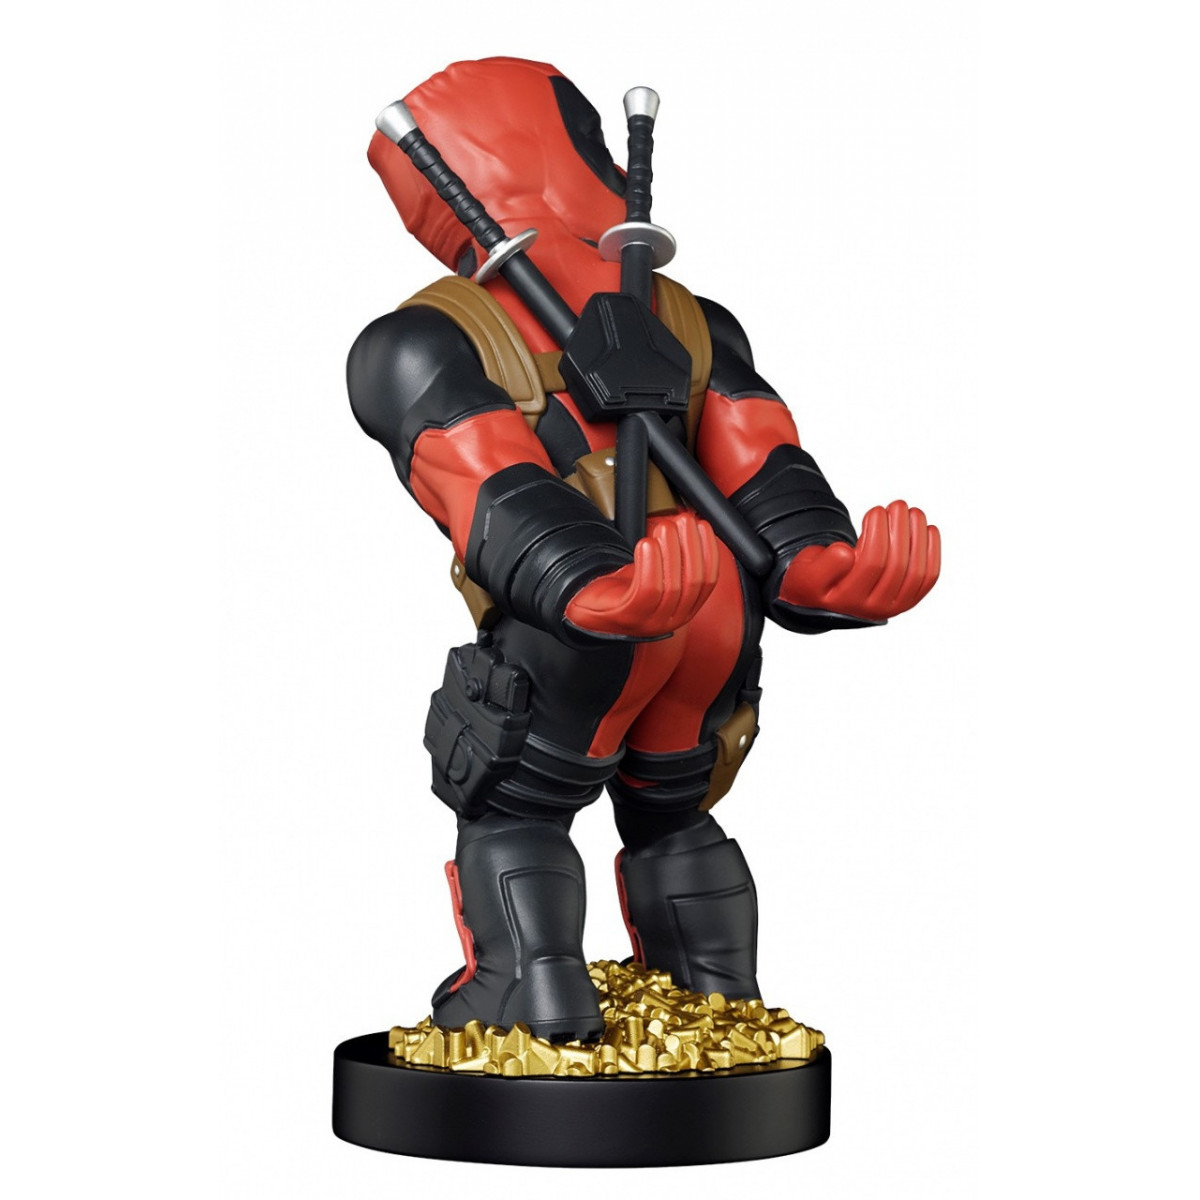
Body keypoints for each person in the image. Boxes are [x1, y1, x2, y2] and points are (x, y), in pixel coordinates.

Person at [348, 57, 940, 1043]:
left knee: (517, 810)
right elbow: (764, 467)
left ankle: (530, 991)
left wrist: (590, 585)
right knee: (675, 814)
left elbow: (488, 482)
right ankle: (717, 992)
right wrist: (817, 562)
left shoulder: (422, 339)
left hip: (588, 622)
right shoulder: (691, 320)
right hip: (714, 607)